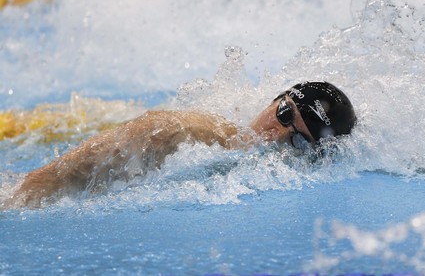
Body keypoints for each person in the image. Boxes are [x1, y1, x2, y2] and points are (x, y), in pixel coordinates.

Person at [3, 81, 357, 209]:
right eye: (283, 115)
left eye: (298, 141)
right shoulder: (180, 132)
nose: (276, 136)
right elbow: (38, 182)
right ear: (278, 97)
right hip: (39, 128)